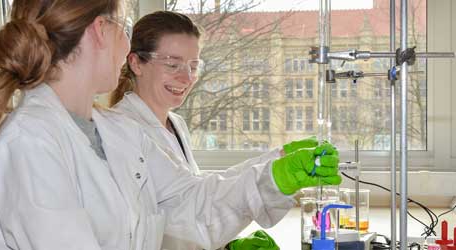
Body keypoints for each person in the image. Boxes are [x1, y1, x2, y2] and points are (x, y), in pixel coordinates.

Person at [0, 1, 341, 249]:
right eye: (125, 27)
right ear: (100, 30)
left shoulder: (113, 132)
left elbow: (185, 205)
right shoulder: (31, 144)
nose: (125, 43)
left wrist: (273, 176)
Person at [109, 11, 327, 250]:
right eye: (173, 65)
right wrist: (274, 178)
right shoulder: (121, 129)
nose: (187, 77)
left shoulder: (175, 124)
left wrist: (277, 158)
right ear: (136, 63)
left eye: (193, 66)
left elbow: (196, 190)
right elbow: (182, 216)